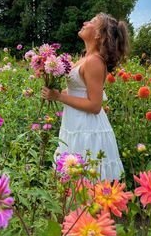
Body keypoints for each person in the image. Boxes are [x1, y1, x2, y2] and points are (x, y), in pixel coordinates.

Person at [41, 12, 129, 181]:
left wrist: (59, 97)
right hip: (75, 124)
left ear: (97, 35)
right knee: (73, 178)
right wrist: (52, 90)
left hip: (88, 129)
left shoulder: (95, 61)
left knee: (86, 179)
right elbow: (79, 91)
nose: (85, 22)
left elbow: (95, 106)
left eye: (92, 22)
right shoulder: (85, 58)